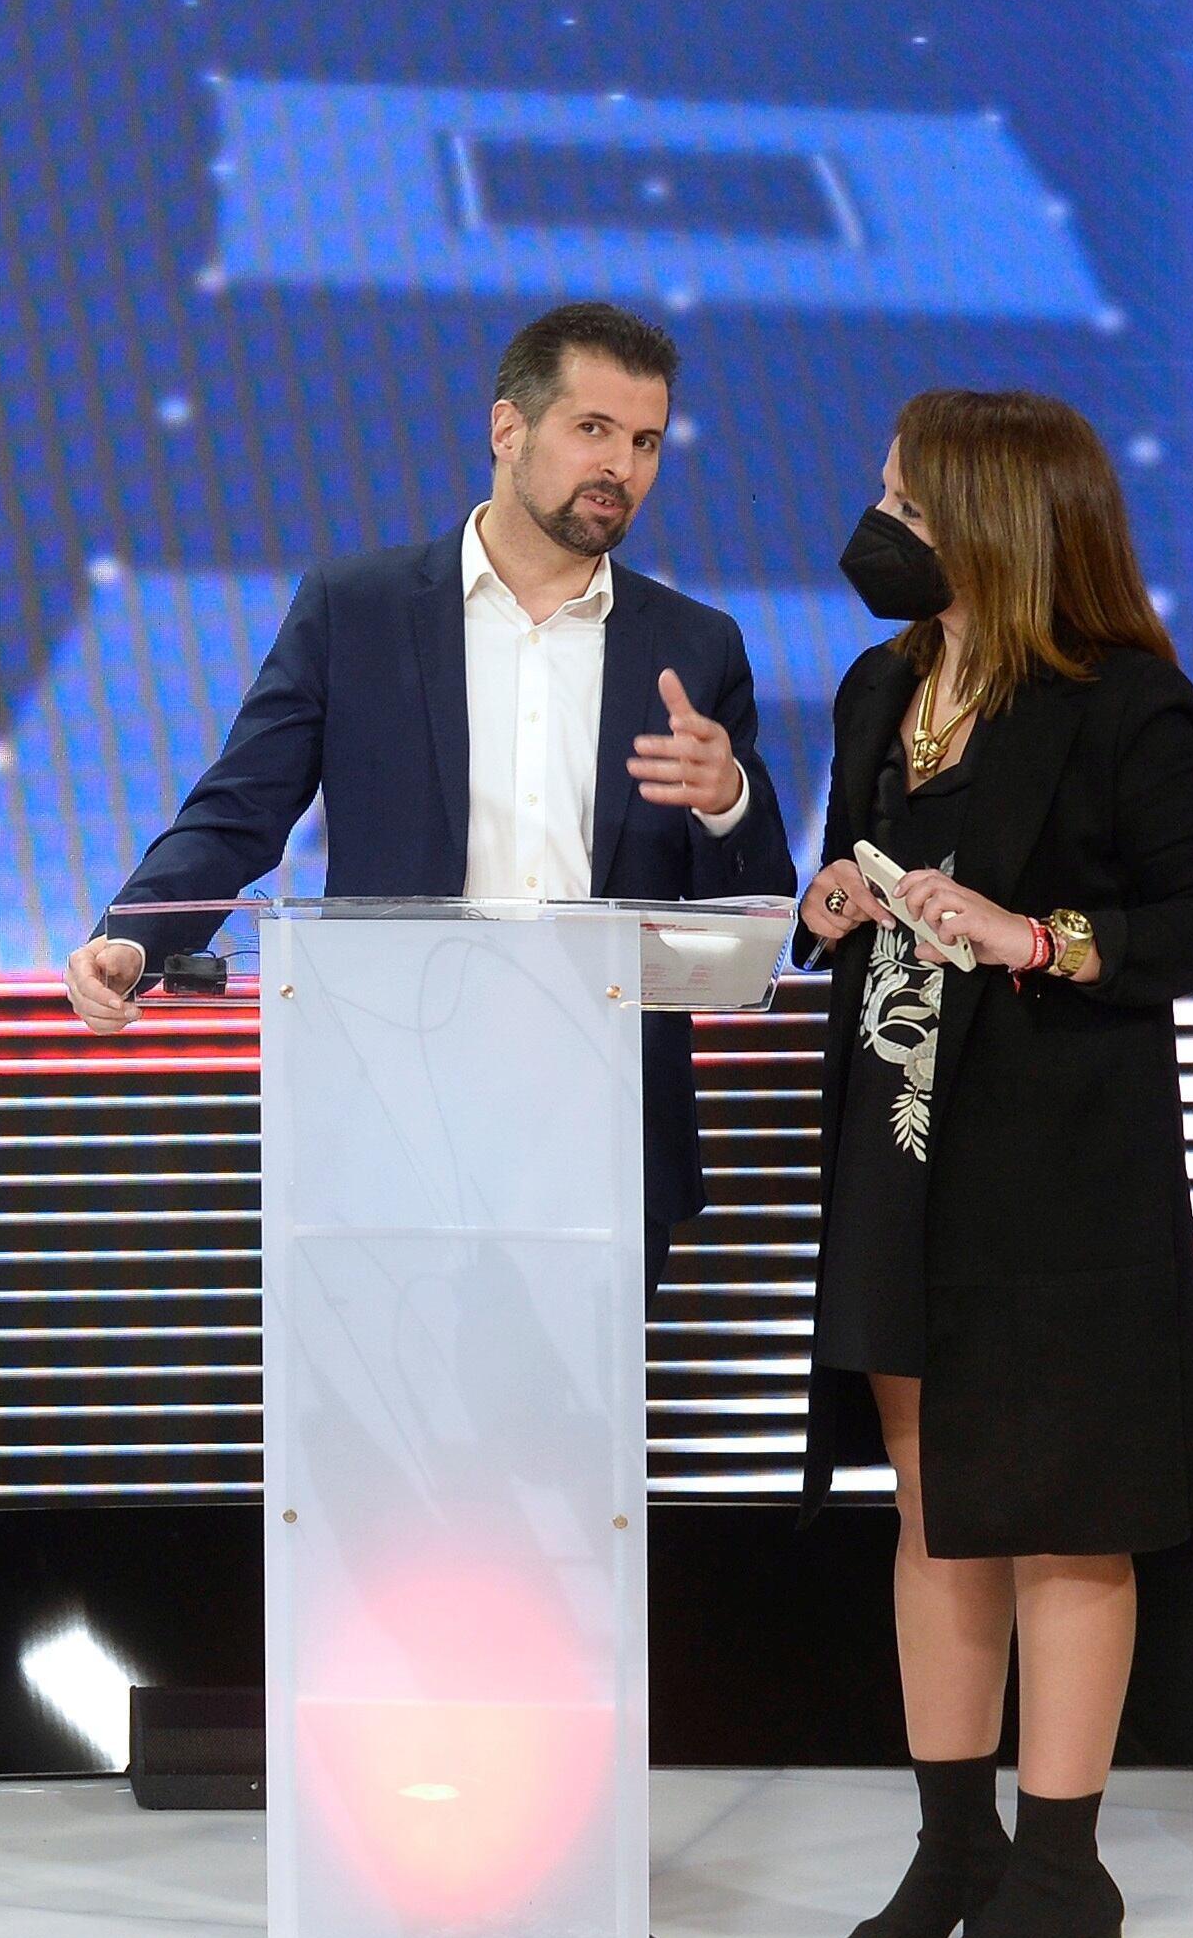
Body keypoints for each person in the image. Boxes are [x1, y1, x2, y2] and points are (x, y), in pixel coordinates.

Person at [795, 390, 1193, 1938]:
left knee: (1063, 1517)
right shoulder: (883, 685)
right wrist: (833, 901)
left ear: (993, 516)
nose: (882, 528)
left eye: (907, 504)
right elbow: (839, 885)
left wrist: (1036, 935)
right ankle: (957, 1849)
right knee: (935, 1508)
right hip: (900, 1142)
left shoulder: (1123, 701)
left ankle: (1060, 1872)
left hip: (1061, 1170)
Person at [66, 301, 801, 1274]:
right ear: (508, 428)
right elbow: (240, 808)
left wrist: (727, 799)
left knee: (579, 1433)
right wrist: (136, 932)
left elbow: (750, 909)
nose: (621, 467)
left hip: (606, 1135)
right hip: (391, 1124)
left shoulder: (696, 646)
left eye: (646, 441)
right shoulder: (357, 611)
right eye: (593, 430)